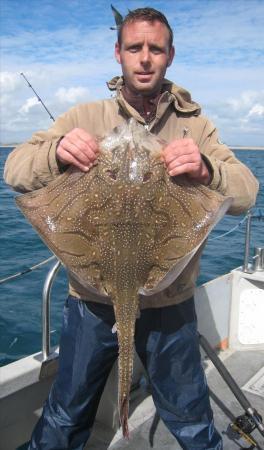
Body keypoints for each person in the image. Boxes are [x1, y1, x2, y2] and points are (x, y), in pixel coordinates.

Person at [4, 7, 259, 450]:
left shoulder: (196, 126)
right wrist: (57, 151)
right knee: (65, 415)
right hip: (90, 302)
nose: (145, 58)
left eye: (155, 49)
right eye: (135, 47)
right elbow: (15, 171)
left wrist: (207, 170)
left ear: (169, 55)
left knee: (191, 416)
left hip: (171, 301)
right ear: (118, 53)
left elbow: (247, 191)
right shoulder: (84, 115)